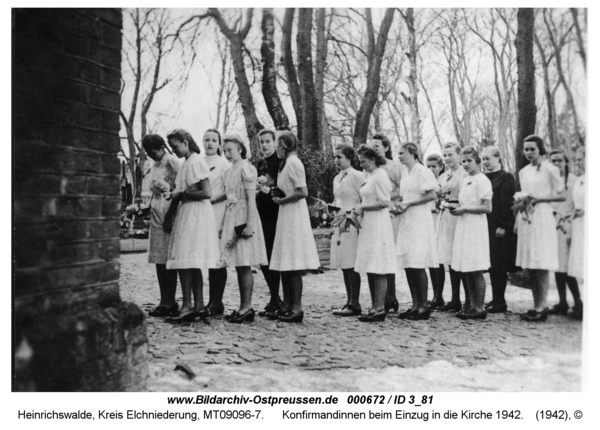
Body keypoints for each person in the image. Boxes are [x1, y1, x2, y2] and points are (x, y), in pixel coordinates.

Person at [164, 129, 220, 322]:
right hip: (189, 212)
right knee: (190, 259)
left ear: (186, 142)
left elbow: (207, 192)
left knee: (186, 258)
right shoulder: (187, 162)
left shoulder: (196, 161)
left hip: (196, 213)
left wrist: (181, 195)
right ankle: (199, 305)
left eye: (176, 146)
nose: (174, 151)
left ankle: (188, 305)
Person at [268, 131, 320, 323]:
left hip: (293, 213)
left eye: (276, 145)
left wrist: (282, 199)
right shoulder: (285, 164)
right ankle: (287, 304)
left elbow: (303, 191)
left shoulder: (294, 163)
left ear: (283, 144)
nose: (275, 149)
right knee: (286, 263)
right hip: (286, 213)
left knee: (293, 262)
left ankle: (296, 308)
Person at [217, 135, 268, 323]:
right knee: (239, 264)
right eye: (225, 151)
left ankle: (247, 307)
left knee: (244, 263)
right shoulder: (229, 171)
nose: (227, 154)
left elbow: (251, 199)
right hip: (232, 215)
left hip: (244, 216)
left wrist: (250, 223)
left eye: (230, 150)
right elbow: (226, 196)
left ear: (240, 148)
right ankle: (242, 306)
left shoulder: (247, 169)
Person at [516, 135, 566, 322]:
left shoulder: (550, 169)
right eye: (526, 149)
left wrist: (540, 199)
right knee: (531, 263)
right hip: (527, 217)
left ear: (540, 150)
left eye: (532, 149)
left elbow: (561, 196)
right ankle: (536, 304)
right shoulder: (523, 172)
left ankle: (542, 307)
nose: (529, 153)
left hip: (543, 216)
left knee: (542, 262)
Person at [394, 143, 439, 320]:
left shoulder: (422, 171)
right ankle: (414, 304)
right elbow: (405, 196)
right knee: (409, 263)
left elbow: (432, 195)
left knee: (418, 263)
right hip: (407, 220)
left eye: (402, 153)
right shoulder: (405, 173)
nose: (399, 156)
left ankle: (423, 306)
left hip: (420, 220)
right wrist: (400, 205)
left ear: (412, 153)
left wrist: (409, 203)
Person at [353, 145, 398, 322]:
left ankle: (380, 308)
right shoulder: (369, 175)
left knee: (378, 266)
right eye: (360, 161)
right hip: (369, 223)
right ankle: (374, 306)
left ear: (373, 159)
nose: (362, 164)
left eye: (364, 161)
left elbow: (385, 202)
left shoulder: (380, 175)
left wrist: (362, 207)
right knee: (370, 266)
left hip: (378, 223)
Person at [450, 147, 493, 320]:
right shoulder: (465, 179)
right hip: (464, 225)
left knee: (475, 267)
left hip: (476, 225)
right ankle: (471, 305)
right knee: (466, 267)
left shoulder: (482, 180)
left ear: (477, 161)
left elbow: (487, 207)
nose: (466, 164)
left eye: (469, 160)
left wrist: (466, 209)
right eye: (463, 161)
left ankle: (480, 307)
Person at [142, 134, 179, 317]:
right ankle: (163, 300)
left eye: (153, 151)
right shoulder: (154, 165)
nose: (151, 155)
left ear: (161, 147)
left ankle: (171, 301)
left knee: (167, 259)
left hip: (168, 210)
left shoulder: (170, 161)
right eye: (148, 153)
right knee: (158, 259)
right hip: (156, 210)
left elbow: (177, 189)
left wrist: (170, 215)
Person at [330, 144, 365, 316]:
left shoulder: (357, 175)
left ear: (349, 158)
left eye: (339, 157)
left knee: (351, 262)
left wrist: (353, 212)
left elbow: (364, 198)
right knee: (344, 262)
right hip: (340, 220)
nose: (336, 160)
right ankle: (348, 300)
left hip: (352, 221)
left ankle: (355, 302)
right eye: (335, 157)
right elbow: (337, 199)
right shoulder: (337, 178)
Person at [482, 146, 518, 313]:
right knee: (491, 264)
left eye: (488, 158)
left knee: (499, 264)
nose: (485, 162)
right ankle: (495, 298)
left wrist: (503, 225)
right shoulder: (483, 177)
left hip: (499, 225)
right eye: (483, 159)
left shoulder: (506, 177)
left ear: (498, 158)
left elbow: (508, 203)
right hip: (486, 224)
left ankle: (500, 301)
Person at [371, 133, 404, 312]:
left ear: (386, 147)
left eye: (377, 146)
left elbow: (402, 189)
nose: (374, 149)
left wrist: (384, 195)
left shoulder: (394, 166)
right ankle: (379, 298)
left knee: (387, 254)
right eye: (372, 146)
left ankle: (391, 296)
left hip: (390, 213)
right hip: (374, 214)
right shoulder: (369, 168)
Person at [547, 149, 582, 318]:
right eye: (553, 161)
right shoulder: (549, 181)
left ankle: (578, 302)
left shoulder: (574, 181)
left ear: (565, 162)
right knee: (557, 265)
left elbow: (578, 204)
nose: (556, 164)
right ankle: (562, 302)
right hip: (552, 225)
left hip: (568, 225)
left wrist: (567, 219)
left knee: (568, 266)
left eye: (559, 160)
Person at [201, 128, 231, 316]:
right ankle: (209, 300)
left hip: (217, 211)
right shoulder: (200, 162)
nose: (210, 143)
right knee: (207, 257)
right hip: (202, 213)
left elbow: (230, 191)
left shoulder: (224, 164)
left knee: (218, 258)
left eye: (213, 140)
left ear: (219, 143)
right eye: (206, 140)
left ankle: (217, 301)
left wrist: (210, 198)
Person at [436, 143, 469, 312]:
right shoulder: (444, 175)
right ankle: (454, 298)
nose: (447, 158)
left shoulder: (464, 174)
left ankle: (468, 299)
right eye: (445, 155)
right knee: (448, 258)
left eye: (450, 154)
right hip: (446, 215)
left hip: (459, 215)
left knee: (460, 258)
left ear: (458, 155)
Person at [255, 129, 283, 317]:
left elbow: (283, 187)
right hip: (262, 212)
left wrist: (270, 188)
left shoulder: (280, 162)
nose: (264, 145)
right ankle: (274, 296)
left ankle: (277, 298)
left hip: (276, 212)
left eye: (267, 141)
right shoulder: (260, 163)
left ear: (274, 142)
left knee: (274, 255)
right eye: (261, 142)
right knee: (263, 256)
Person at [567, 146, 585, 320]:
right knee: (581, 267)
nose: (578, 162)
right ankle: (581, 304)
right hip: (579, 225)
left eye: (582, 159)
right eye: (577, 160)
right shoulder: (579, 180)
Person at [425, 153, 445, 308]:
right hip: (427, 220)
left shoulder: (443, 181)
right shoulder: (425, 181)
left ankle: (439, 294)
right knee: (431, 259)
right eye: (429, 166)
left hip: (439, 218)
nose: (431, 169)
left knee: (439, 259)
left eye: (434, 166)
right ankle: (434, 295)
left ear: (440, 167)